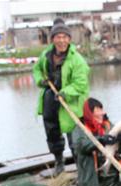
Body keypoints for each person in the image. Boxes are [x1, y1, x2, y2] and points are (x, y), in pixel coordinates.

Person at [32, 19, 90, 175]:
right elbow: (36, 70)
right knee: (52, 132)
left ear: (69, 40)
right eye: (58, 37)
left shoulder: (76, 59)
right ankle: (59, 162)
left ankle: (80, 168)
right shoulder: (45, 55)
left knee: (74, 137)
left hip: (70, 102)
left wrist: (66, 92)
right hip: (51, 99)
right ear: (53, 39)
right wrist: (40, 80)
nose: (62, 40)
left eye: (65, 37)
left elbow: (81, 84)